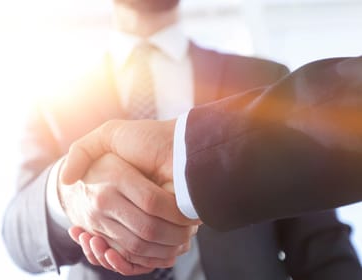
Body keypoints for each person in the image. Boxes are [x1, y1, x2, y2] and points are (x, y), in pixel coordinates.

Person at [2, 1, 362, 280]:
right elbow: (19, 230)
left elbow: (320, 246)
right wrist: (65, 195)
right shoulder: (55, 95)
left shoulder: (262, 78)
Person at [61, 56, 362, 231]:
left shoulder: (260, 74)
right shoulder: (61, 90)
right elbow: (17, 223)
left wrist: (179, 152)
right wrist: (64, 193)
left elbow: (319, 240)